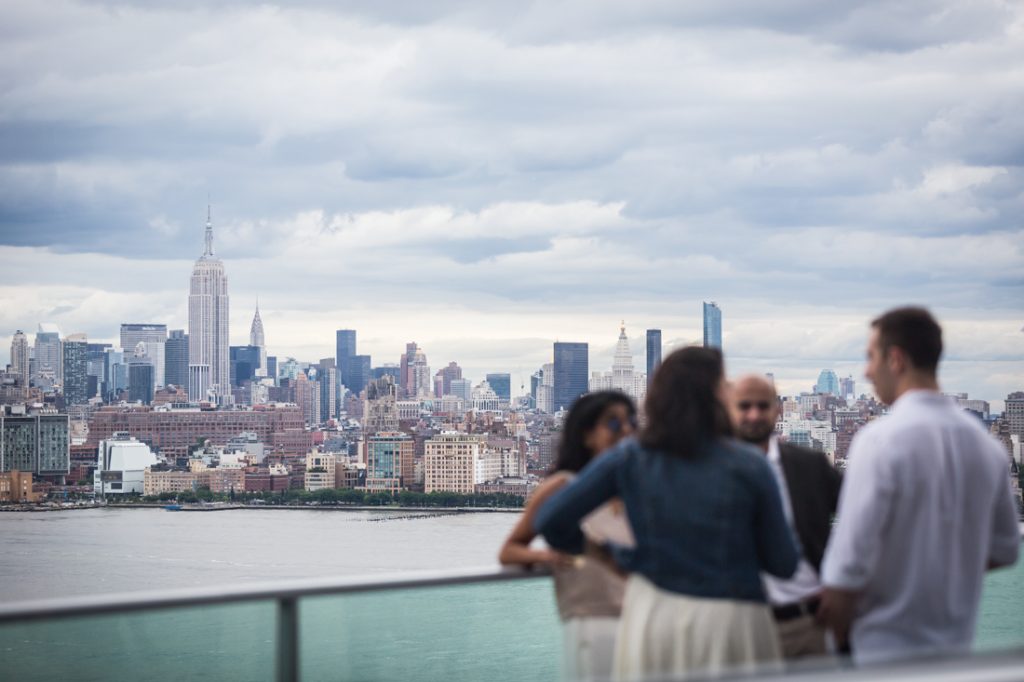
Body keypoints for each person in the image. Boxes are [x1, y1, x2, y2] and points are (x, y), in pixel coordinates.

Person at [535, 347, 799, 680]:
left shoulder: (631, 457)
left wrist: (614, 554)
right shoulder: (750, 464)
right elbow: (783, 563)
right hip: (734, 618)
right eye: (724, 384)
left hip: (654, 613)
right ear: (714, 396)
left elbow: (551, 519)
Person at [817, 307, 1020, 664]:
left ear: (896, 360)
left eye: (870, 357)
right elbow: (1004, 549)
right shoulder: (988, 447)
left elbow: (848, 563)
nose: (866, 371)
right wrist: (944, 566)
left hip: (880, 650)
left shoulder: (879, 441)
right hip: (956, 649)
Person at [499, 390, 637, 682]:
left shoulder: (633, 487)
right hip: (593, 620)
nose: (625, 431)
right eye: (614, 424)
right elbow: (510, 549)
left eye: (631, 423)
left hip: (641, 618)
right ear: (587, 435)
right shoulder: (562, 487)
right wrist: (545, 557)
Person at [728, 374, 842, 660]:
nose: (754, 414)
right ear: (728, 409)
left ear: (777, 410)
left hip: (805, 623)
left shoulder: (809, 466)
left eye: (762, 406)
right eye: (744, 406)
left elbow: (862, 520)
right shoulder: (710, 470)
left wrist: (844, 583)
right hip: (736, 629)